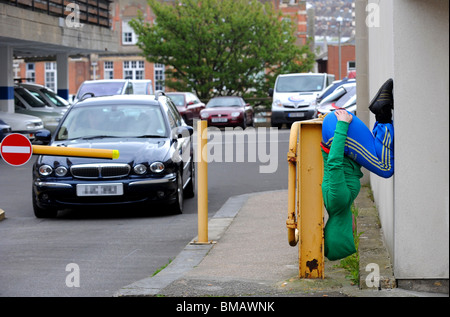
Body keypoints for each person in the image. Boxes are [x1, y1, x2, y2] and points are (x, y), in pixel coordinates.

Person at [320, 78, 394, 261]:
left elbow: (334, 162)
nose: (354, 230)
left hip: (340, 133)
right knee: (376, 155)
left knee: (385, 168)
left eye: (349, 235)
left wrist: (343, 124)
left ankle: (382, 112)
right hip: (340, 137)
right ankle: (382, 112)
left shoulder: (337, 202)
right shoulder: (338, 206)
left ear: (340, 232)